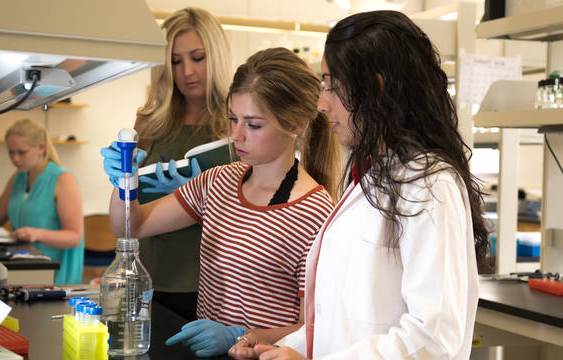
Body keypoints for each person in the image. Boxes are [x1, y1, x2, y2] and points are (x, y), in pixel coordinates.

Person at [229, 11, 491, 360]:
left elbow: (433, 339)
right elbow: (341, 320)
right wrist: (281, 348)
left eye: (331, 86)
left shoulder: (431, 187)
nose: (322, 103)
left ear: (376, 88)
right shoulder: (371, 178)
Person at [102, 47, 340, 357]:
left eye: (253, 125)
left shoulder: (317, 213)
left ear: (296, 125)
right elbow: (132, 226)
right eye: (233, 119)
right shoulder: (218, 182)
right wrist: (125, 183)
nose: (236, 135)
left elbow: (315, 326)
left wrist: (243, 336)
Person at [125, 7, 234, 321]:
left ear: (216, 55)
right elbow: (128, 206)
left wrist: (205, 195)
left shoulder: (236, 120)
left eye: (197, 58)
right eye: (175, 61)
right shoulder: (149, 120)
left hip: (212, 283)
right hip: (151, 277)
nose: (187, 71)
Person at [0, 118, 84, 285]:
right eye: (11, 152)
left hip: (54, 272)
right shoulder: (19, 176)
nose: (15, 159)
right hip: (24, 264)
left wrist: (37, 234)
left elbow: (74, 236)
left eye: (22, 152)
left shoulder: (63, 180)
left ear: (40, 148)